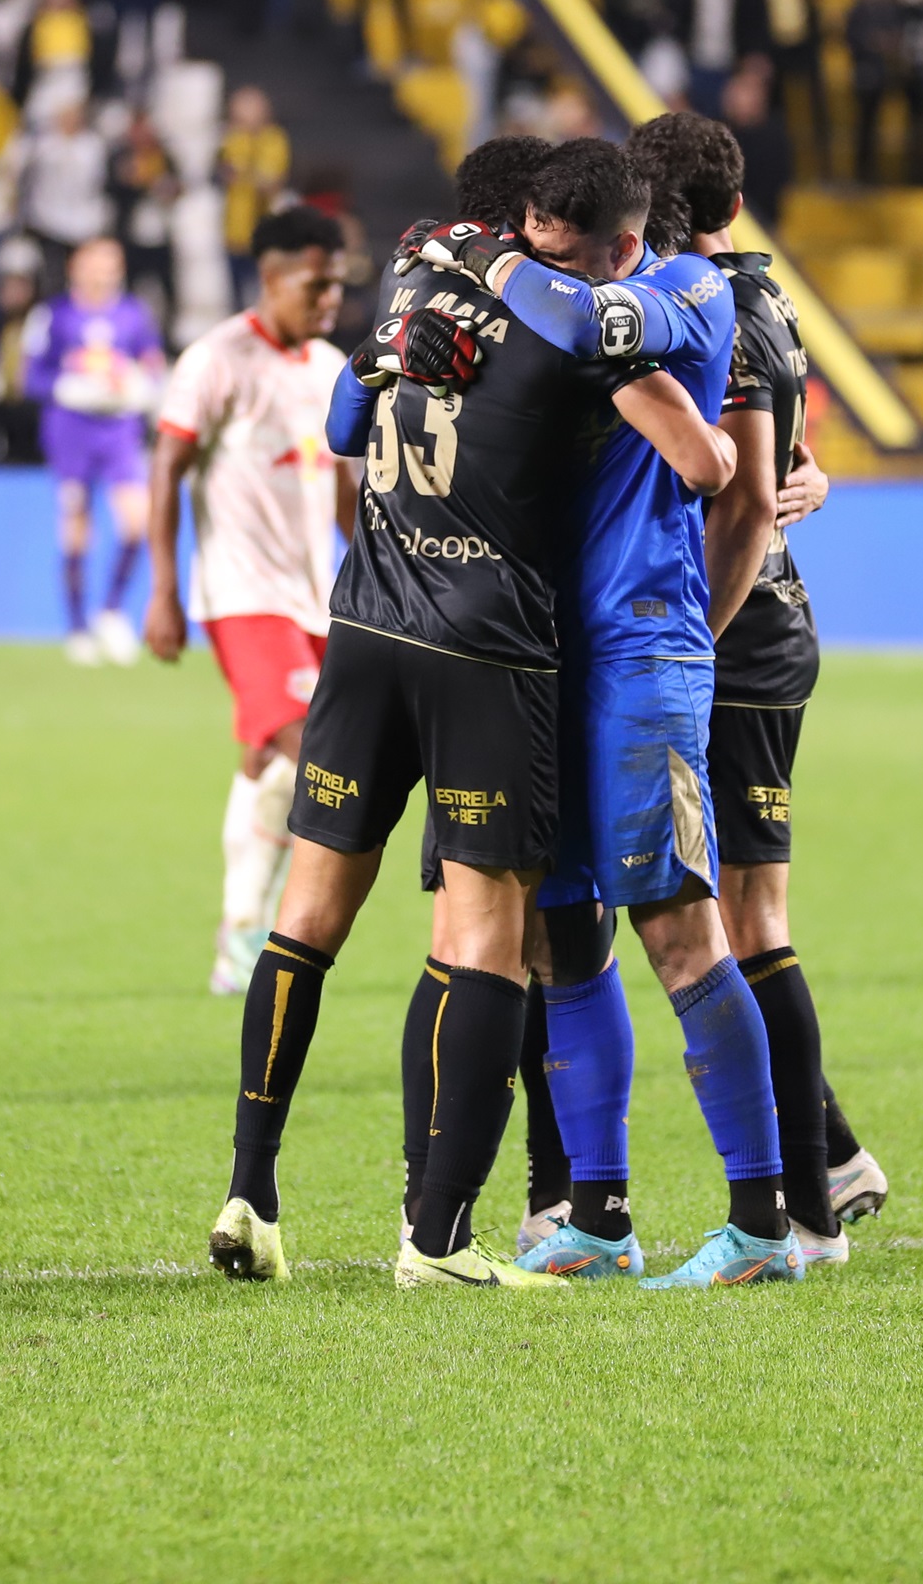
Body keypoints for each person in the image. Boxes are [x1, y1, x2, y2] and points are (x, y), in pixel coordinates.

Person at [207, 138, 730, 1293]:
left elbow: (346, 421)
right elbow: (700, 460)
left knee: (304, 921)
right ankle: (435, 1236)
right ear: (541, 228)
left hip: (364, 632)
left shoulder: (409, 293)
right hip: (485, 650)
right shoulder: (568, 326)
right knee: (483, 941)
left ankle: (252, 1185)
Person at [401, 139, 784, 1291]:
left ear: (624, 242)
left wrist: (485, 265)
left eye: (560, 249)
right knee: (564, 936)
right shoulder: (571, 285)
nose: (535, 261)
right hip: (541, 656)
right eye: (528, 239)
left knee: (676, 922)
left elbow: (593, 340)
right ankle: (598, 1214)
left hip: (640, 646)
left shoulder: (685, 291)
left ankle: (762, 1223)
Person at [632, 111, 889, 1254]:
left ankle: (806, 1204)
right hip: (775, 634)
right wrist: (812, 473)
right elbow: (785, 458)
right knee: (734, 922)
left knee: (736, 922)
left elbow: (742, 496)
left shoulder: (703, 309)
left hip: (737, 643)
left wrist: (697, 636)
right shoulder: (767, 297)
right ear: (736, 207)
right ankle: (828, 1157)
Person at [143, 207, 355, 995]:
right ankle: (273, 935)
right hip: (241, 595)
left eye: (338, 283)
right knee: (320, 755)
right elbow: (167, 467)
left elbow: (338, 477)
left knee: (272, 756)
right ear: (271, 277)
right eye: (317, 283)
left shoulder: (329, 364)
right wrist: (165, 590)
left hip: (314, 599)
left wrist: (376, 563)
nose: (331, 298)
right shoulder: (216, 359)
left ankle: (237, 933)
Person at [19, 238, 166, 666]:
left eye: (109, 265)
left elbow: (152, 366)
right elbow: (31, 378)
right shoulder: (53, 315)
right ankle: (77, 627)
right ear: (75, 269)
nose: (100, 273)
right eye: (92, 265)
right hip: (71, 432)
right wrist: (71, 387)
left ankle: (112, 610)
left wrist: (138, 386)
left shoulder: (133, 315)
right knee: (77, 527)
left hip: (119, 429)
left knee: (137, 521)